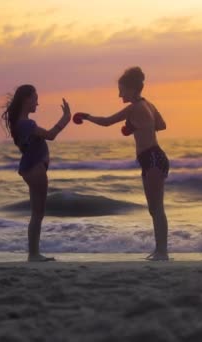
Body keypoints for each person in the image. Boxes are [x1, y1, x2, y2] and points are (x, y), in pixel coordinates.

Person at [73, 67, 170, 261]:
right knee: (155, 208)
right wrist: (135, 126)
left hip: (152, 158)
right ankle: (160, 250)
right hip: (154, 158)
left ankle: (162, 252)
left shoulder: (134, 107)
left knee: (156, 208)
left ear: (133, 90)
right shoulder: (148, 104)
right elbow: (161, 125)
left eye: (122, 90)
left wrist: (86, 116)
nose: (119, 94)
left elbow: (107, 121)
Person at [1, 84, 71, 262]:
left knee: (36, 213)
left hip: (31, 168)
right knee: (38, 213)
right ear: (26, 99)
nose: (37, 103)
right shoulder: (26, 124)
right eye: (35, 98)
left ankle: (33, 253)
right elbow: (50, 135)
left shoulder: (20, 123)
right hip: (35, 168)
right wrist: (65, 118)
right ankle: (34, 254)